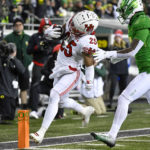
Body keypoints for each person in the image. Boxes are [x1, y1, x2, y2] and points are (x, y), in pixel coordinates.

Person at [30, 10, 99, 144]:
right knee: (61, 102)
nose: (71, 27)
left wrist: (89, 82)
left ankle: (41, 132)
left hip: (72, 71)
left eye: (76, 27)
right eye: (73, 23)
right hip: (59, 67)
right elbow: (60, 32)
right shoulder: (73, 22)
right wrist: (49, 33)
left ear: (86, 30)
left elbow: (89, 64)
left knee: (54, 94)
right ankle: (84, 110)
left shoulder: (88, 41)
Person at [90, 0, 150, 147]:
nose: (122, 13)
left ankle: (112, 135)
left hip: (148, 71)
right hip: (146, 69)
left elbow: (133, 51)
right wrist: (113, 57)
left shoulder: (141, 21)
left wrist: (107, 53)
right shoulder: (138, 21)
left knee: (123, 98)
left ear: (132, 9)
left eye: (124, 10)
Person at [4, 17, 32, 109]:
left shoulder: (28, 37)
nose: (18, 27)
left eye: (20, 25)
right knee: (11, 87)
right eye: (16, 25)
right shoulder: (8, 38)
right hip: (11, 69)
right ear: (13, 26)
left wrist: (29, 60)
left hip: (24, 67)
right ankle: (11, 106)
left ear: (23, 26)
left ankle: (24, 106)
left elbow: (31, 52)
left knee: (24, 88)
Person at [0, 41, 25, 121]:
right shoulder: (2, 60)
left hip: (13, 93)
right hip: (3, 93)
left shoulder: (14, 61)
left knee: (10, 117)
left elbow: (21, 70)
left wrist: (12, 58)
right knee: (5, 116)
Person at [107, 29, 129, 109]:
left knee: (123, 88)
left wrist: (117, 54)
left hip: (123, 70)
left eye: (118, 37)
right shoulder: (112, 46)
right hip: (114, 70)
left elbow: (127, 55)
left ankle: (120, 104)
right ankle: (110, 102)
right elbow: (108, 57)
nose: (117, 38)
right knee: (112, 86)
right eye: (116, 36)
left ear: (121, 37)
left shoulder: (126, 45)